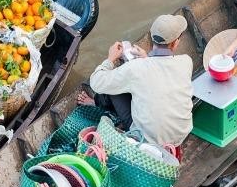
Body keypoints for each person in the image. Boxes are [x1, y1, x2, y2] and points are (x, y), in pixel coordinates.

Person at [78, 15, 194, 147]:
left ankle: (97, 102)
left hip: (147, 140)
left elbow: (96, 83)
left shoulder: (136, 68)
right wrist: (146, 58)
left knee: (115, 85)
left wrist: (110, 59)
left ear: (151, 36)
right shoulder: (186, 61)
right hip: (180, 135)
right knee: (134, 83)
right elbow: (162, 72)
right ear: (175, 43)